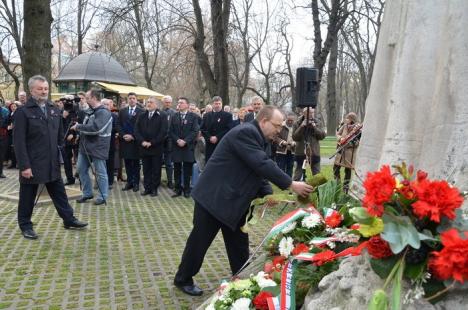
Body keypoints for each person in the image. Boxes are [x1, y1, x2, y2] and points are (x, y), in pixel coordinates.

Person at [173, 106, 314, 296]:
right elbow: (261, 163)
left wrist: (267, 195)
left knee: (239, 244)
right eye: (277, 126)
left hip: (235, 201)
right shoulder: (245, 132)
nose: (279, 130)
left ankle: (242, 278)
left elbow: (260, 169)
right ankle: (183, 278)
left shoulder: (262, 139)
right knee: (200, 241)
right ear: (264, 121)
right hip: (214, 199)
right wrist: (290, 184)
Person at [13, 75, 88, 239]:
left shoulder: (54, 109)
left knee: (59, 192)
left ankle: (68, 219)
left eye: (46, 88)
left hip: (51, 161)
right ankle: (25, 225)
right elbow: (18, 142)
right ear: (32, 90)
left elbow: (60, 135)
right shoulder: (23, 112)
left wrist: (59, 154)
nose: (43, 91)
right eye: (40, 89)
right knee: (27, 196)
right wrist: (24, 166)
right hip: (32, 163)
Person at [71, 89, 113, 205]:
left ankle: (102, 196)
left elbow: (96, 128)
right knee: (80, 169)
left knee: (100, 172)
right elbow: (86, 123)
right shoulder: (91, 111)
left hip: (98, 147)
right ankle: (87, 193)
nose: (85, 100)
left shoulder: (104, 112)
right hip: (85, 146)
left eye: (88, 98)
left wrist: (79, 127)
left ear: (94, 98)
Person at [134, 97, 167, 196]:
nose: (148, 104)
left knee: (156, 169)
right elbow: (136, 130)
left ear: (156, 104)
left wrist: (152, 143)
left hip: (156, 148)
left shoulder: (162, 115)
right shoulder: (142, 115)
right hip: (144, 147)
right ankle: (147, 188)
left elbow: (163, 132)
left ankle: (154, 189)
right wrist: (142, 141)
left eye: (151, 102)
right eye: (147, 102)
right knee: (146, 169)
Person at [169, 97, 200, 198]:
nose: (179, 104)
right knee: (177, 169)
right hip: (177, 146)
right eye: (178, 103)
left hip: (188, 147)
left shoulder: (193, 117)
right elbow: (170, 131)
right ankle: (177, 189)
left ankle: (187, 189)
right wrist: (177, 140)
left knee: (187, 169)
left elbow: (195, 131)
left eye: (181, 103)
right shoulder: (174, 116)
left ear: (187, 105)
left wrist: (185, 141)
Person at [118, 92, 143, 192]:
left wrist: (133, 136)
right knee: (127, 163)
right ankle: (129, 182)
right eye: (130, 98)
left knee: (136, 164)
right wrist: (123, 135)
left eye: (133, 98)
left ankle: (136, 183)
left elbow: (142, 127)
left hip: (135, 142)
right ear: (127, 100)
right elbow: (118, 124)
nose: (132, 100)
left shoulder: (141, 111)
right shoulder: (122, 111)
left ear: (136, 100)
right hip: (125, 141)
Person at [292, 107, 326, 175]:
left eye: (312, 112)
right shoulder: (297, 123)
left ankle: (317, 186)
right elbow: (295, 137)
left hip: (314, 152)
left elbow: (322, 136)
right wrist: (301, 127)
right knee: (298, 174)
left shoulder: (318, 122)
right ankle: (298, 184)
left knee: (317, 174)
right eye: (309, 113)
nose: (311, 114)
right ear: (304, 114)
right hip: (301, 152)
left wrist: (314, 127)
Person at [333, 112, 361, 192]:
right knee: (335, 168)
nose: (346, 120)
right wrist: (340, 139)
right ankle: (337, 185)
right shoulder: (344, 126)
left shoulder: (358, 130)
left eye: (348, 118)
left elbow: (358, 142)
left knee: (347, 171)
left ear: (352, 120)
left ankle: (345, 188)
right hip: (341, 151)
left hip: (350, 154)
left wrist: (350, 143)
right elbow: (338, 134)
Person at [200, 96, 232, 162]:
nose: (217, 105)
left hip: (222, 144)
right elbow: (203, 129)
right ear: (212, 104)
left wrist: (217, 137)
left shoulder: (228, 115)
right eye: (216, 103)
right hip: (209, 145)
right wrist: (210, 137)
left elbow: (228, 129)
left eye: (219, 103)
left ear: (222, 104)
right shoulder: (206, 115)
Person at [102, 99, 120, 190]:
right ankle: (100, 181)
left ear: (111, 106)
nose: (106, 106)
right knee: (100, 164)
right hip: (99, 144)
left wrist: (105, 129)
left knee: (110, 163)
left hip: (110, 143)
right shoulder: (97, 115)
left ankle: (110, 182)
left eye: (107, 104)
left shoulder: (114, 116)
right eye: (104, 104)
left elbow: (116, 127)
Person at [275, 113, 297, 177]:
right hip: (281, 150)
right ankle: (280, 181)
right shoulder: (281, 125)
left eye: (291, 120)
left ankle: (288, 181)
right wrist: (282, 142)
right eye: (288, 120)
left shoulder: (296, 127)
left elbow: (300, 138)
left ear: (294, 120)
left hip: (292, 150)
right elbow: (275, 136)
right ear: (286, 119)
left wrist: (294, 143)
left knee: (290, 167)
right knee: (280, 167)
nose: (290, 121)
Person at [161, 95, 175, 189]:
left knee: (168, 163)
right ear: (163, 102)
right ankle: (156, 180)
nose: (167, 104)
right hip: (159, 140)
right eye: (166, 102)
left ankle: (170, 181)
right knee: (157, 162)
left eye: (169, 102)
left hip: (169, 141)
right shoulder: (159, 112)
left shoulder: (174, 113)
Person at [0, 101, 9, 178]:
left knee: (1, 155)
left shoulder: (5, 111)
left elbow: (7, 123)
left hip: (3, 136)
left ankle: (0, 172)